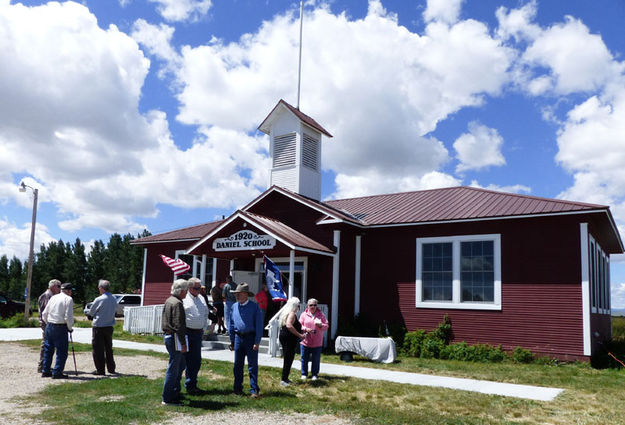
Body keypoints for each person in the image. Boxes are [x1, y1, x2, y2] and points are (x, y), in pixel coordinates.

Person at [228, 282, 263, 398]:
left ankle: (254, 390)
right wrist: (232, 340)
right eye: (236, 294)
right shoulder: (234, 307)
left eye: (239, 294)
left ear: (246, 294)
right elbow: (231, 324)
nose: (237, 296)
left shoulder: (254, 307)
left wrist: (257, 341)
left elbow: (259, 325)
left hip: (250, 338)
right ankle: (237, 388)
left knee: (252, 365)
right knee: (237, 365)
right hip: (238, 338)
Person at [161, 279, 188, 406]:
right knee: (174, 368)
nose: (187, 293)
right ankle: (168, 397)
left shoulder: (169, 300)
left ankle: (175, 392)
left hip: (168, 335)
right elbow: (179, 325)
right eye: (186, 290)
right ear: (181, 291)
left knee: (180, 365)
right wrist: (183, 343)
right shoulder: (177, 303)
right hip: (175, 337)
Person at [41, 282, 75, 379]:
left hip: (50, 325)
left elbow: (44, 313)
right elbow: (68, 317)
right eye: (71, 291)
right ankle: (57, 372)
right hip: (60, 327)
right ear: (68, 291)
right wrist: (70, 328)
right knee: (61, 351)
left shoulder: (53, 297)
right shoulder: (68, 299)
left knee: (48, 349)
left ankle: (45, 370)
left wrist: (48, 323)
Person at [183, 277, 208, 394]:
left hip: (198, 334)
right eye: (197, 288)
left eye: (200, 288)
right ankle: (176, 388)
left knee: (196, 360)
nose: (199, 290)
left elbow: (205, 313)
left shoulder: (201, 298)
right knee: (182, 361)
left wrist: (204, 328)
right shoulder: (184, 299)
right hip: (187, 333)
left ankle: (192, 384)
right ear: (190, 288)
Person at [88, 279, 117, 375]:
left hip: (99, 326)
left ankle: (100, 370)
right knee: (108, 348)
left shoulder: (99, 299)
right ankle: (111, 368)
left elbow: (91, 312)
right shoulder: (113, 298)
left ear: (101, 288)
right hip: (109, 326)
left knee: (98, 349)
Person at [278, 297, 306, 386]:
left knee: (288, 357)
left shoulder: (286, 313)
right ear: (295, 306)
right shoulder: (292, 314)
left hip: (285, 337)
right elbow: (289, 325)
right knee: (288, 358)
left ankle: (285, 378)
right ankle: (283, 379)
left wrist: (304, 329)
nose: (298, 307)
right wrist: (300, 335)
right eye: (298, 305)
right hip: (288, 339)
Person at [299, 298, 329, 380]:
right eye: (311, 305)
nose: (313, 306)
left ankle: (314, 374)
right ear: (308, 306)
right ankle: (304, 373)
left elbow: (326, 326)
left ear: (317, 306)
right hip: (306, 341)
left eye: (315, 305)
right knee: (304, 359)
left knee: (316, 360)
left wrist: (320, 325)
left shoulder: (321, 315)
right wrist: (305, 328)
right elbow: (299, 325)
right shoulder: (303, 314)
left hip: (317, 341)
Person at [37, 279, 61, 373]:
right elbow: (45, 312)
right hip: (46, 323)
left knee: (49, 345)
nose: (60, 289)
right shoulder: (46, 296)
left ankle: (45, 365)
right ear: (53, 287)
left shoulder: (52, 296)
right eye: (58, 286)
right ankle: (42, 366)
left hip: (49, 323)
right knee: (46, 344)